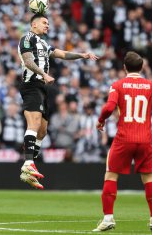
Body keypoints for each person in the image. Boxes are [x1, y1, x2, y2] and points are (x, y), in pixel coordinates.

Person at [93, 51, 152, 232]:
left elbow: (109, 107)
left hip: (123, 139)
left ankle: (108, 219)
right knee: (149, 178)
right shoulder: (151, 85)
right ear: (142, 67)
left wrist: (101, 120)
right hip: (145, 140)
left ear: (124, 68)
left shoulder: (118, 85)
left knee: (111, 175)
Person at [17, 13, 99, 189]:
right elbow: (28, 61)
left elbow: (62, 54)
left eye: (48, 23)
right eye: (44, 23)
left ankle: (29, 169)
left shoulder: (44, 43)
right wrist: (44, 73)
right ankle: (27, 164)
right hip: (31, 84)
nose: (47, 25)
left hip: (43, 88)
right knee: (34, 122)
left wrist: (82, 55)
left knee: (42, 131)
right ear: (34, 25)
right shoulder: (26, 39)